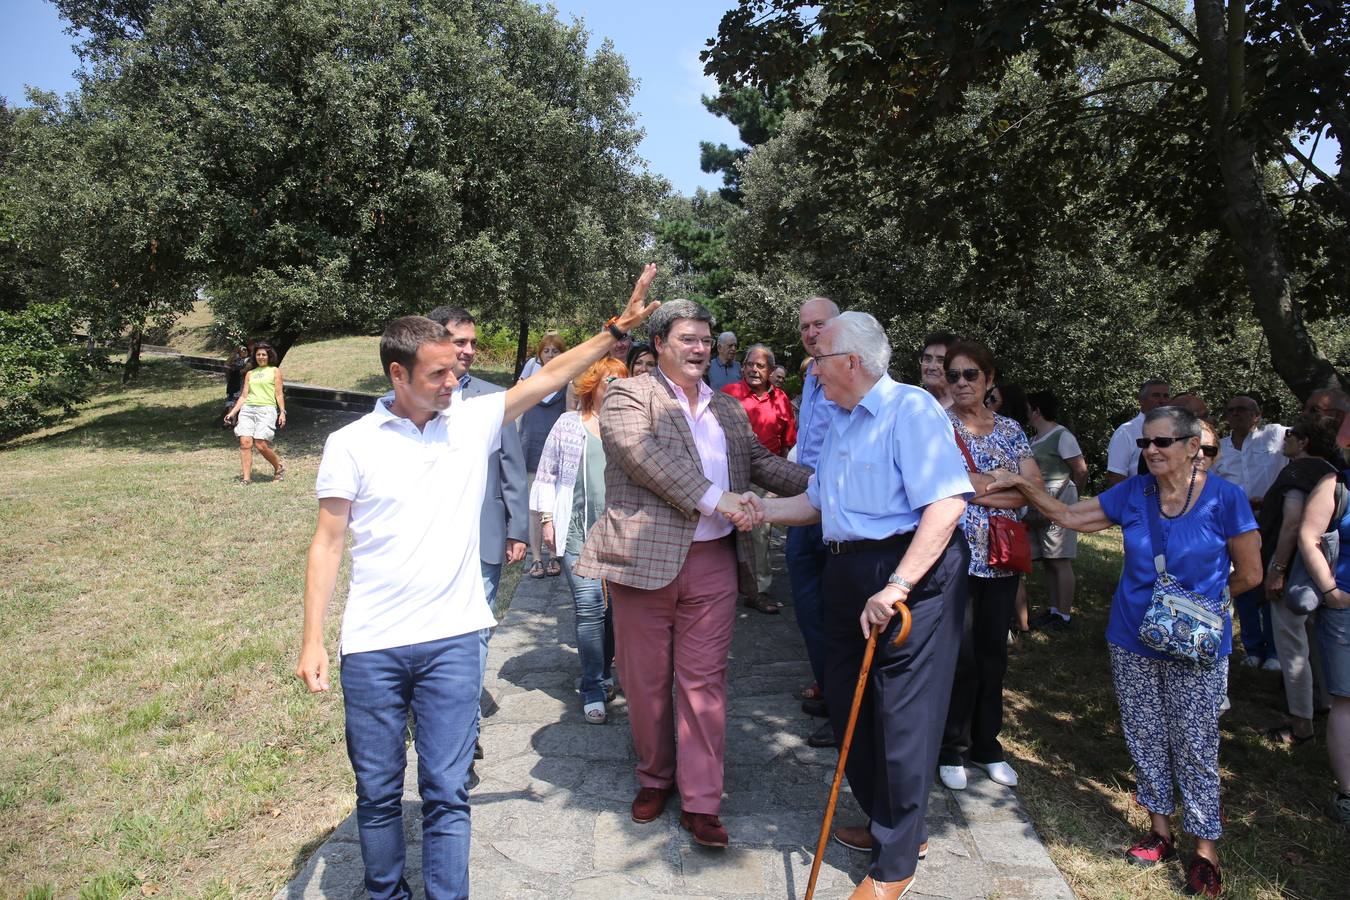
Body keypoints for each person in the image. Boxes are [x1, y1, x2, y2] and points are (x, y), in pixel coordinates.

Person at [294, 265, 660, 899]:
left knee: (447, 787)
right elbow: (326, 545)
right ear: (397, 375)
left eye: (454, 369)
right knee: (377, 792)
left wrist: (613, 332)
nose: (452, 380)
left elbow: (549, 375)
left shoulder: (471, 418)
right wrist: (313, 640)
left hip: (455, 639)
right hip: (373, 645)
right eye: (437, 372)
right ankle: (385, 892)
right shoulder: (349, 444)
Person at [991, 405, 1261, 899]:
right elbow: (1071, 515)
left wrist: (1198, 612)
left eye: (1161, 443)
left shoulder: (1226, 499)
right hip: (1131, 636)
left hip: (1195, 646)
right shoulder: (1134, 494)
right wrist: (1025, 486)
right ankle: (1160, 829)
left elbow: (1250, 574)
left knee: (1196, 745)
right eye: (1145, 444)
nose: (1151, 451)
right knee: (1144, 732)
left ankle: (1205, 850)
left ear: (1190, 446)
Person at [751, 311, 974, 900]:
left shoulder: (910, 409)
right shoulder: (841, 419)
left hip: (910, 574)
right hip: (847, 569)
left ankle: (896, 863)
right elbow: (817, 502)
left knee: (901, 714)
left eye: (818, 357)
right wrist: (755, 510)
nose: (811, 367)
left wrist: (897, 585)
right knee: (849, 703)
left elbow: (947, 505)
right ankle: (891, 822)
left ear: (850, 361)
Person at [572, 299, 809, 849]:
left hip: (712, 567)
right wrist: (718, 499)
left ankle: (702, 801)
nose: (701, 348)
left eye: (705, 339)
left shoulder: (728, 409)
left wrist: (830, 485)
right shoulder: (630, 395)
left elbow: (763, 464)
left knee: (703, 684)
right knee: (644, 683)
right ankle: (655, 777)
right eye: (688, 339)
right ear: (660, 344)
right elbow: (643, 457)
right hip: (643, 563)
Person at [938, 340, 1041, 792]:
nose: (961, 383)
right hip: (953, 555)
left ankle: (987, 745)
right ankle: (952, 748)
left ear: (989, 379)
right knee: (959, 657)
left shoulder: (1011, 429)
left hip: (1001, 559)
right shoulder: (937, 427)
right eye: (953, 374)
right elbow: (943, 487)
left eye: (970, 375)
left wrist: (978, 488)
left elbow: (1032, 490)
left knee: (993, 655)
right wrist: (1004, 483)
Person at [530, 357, 628, 723]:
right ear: (592, 385)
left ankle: (601, 673)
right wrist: (546, 519)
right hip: (576, 530)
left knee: (614, 612)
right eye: (609, 380)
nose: (616, 386)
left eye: (622, 380)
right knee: (589, 607)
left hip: (620, 536)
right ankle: (593, 684)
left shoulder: (629, 426)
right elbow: (546, 473)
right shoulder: (568, 424)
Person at [425, 307, 529, 613]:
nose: (469, 351)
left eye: (473, 343)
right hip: (432, 538)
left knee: (479, 626)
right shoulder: (413, 400)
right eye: (460, 342)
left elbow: (512, 466)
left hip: (485, 533)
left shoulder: (495, 399)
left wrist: (517, 530)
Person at [1258, 416, 1339, 745]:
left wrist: (1277, 569)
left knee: (1292, 648)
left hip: (1293, 575)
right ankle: (1324, 704)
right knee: (1318, 644)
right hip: (1323, 574)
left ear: (1304, 442)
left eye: (1291, 434)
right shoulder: (1331, 473)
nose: (1285, 438)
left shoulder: (1299, 472)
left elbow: (1293, 523)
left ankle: (1301, 725)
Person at [785, 296, 843, 749]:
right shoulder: (811, 374)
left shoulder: (848, 375)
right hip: (804, 502)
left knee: (836, 611)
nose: (810, 332)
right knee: (808, 609)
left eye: (819, 324)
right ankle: (828, 688)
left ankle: (845, 714)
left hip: (836, 510)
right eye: (805, 326)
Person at [721, 343, 798, 614]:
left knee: (759, 534)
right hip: (730, 472)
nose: (754, 369)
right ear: (742, 367)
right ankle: (726, 587)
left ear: (770, 371)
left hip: (766, 477)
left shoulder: (781, 400)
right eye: (750, 364)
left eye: (761, 366)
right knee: (725, 532)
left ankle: (759, 591)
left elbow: (788, 440)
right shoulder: (728, 394)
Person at [1212, 392, 1287, 669]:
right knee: (1243, 582)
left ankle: (1275, 651)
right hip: (1235, 523)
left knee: (1270, 582)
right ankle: (1253, 648)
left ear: (1257, 414)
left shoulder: (1276, 436)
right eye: (1231, 410)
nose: (1236, 414)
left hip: (1271, 520)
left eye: (1243, 409)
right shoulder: (1219, 448)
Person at [1297, 456, 1350, 828]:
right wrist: (1331, 591)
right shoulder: (1337, 485)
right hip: (1345, 608)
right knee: (1346, 701)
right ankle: (1348, 794)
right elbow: (1308, 536)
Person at [1025, 391, 1088, 632]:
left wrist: (1071, 501)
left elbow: (1080, 470)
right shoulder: (1035, 439)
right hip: (1040, 502)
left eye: (1028, 408)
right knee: (1049, 560)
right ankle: (1053, 610)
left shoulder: (1062, 435)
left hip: (1059, 501)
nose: (1025, 412)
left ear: (1037, 410)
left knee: (1060, 559)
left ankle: (1064, 615)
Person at [517, 333, 569, 579]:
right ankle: (536, 557)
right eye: (546, 351)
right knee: (534, 505)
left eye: (555, 351)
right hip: (531, 444)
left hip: (557, 450)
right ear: (539, 355)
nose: (550, 355)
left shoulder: (568, 379)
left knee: (556, 502)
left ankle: (554, 554)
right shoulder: (530, 378)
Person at [224, 342, 286, 485]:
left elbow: (279, 394)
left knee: (260, 444)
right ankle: (246, 479)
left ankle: (278, 468)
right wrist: (232, 413)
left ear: (268, 356)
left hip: (266, 410)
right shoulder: (250, 374)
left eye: (263, 354)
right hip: (248, 409)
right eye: (258, 354)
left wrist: (282, 412)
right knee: (245, 443)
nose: (261, 357)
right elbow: (244, 396)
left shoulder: (275, 371)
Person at [1106, 378, 1172, 486]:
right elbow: (1116, 475)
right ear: (1141, 400)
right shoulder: (1126, 432)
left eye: (1166, 396)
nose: (1162, 400)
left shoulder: (1175, 430)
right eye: (1156, 395)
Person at [917, 330, 958, 409]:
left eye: (941, 361)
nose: (931, 367)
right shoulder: (911, 404)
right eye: (927, 359)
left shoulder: (966, 410)